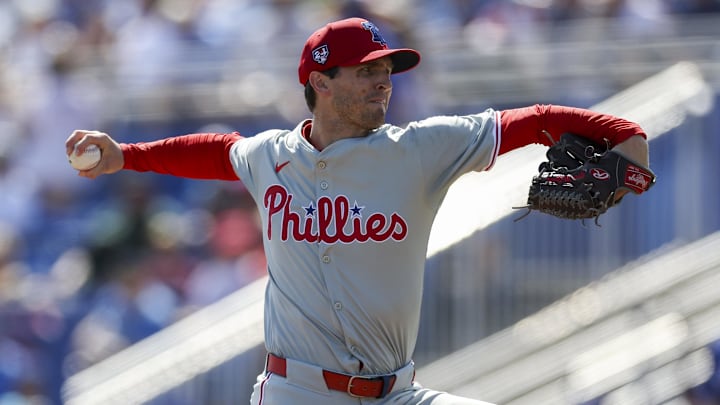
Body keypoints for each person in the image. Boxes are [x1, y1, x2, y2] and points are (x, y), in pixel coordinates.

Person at [65, 17, 651, 405]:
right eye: (366, 70)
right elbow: (219, 153)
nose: (383, 82)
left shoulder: (420, 149)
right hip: (297, 395)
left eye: (386, 71)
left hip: (397, 393)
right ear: (320, 79)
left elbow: (531, 119)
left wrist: (622, 132)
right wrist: (127, 156)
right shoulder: (272, 155)